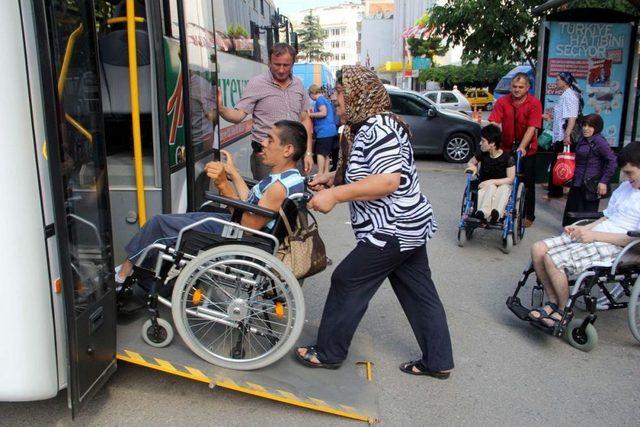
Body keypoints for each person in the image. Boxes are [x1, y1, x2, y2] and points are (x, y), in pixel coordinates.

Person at [294, 66, 454, 379]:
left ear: (357, 94)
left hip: (392, 228)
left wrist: (337, 194)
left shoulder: (377, 128)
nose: (334, 99)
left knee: (347, 279)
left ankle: (328, 353)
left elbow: (388, 181)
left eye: (339, 92)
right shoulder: (364, 126)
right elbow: (369, 171)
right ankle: (438, 360)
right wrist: (329, 178)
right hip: (408, 226)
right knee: (418, 291)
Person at [115, 120, 307, 283]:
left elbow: (250, 223)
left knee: (159, 223)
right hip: (241, 228)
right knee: (181, 219)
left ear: (288, 150)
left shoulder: (278, 188)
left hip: (239, 235)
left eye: (270, 139)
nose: (263, 143)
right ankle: (143, 271)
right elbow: (251, 201)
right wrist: (233, 174)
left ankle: (122, 275)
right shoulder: (291, 178)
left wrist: (224, 185)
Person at [528, 141, 640, 328]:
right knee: (537, 249)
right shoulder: (625, 188)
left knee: (552, 260)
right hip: (599, 234)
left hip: (619, 245)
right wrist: (585, 229)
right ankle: (553, 302)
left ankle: (563, 311)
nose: (627, 178)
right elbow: (607, 217)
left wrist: (595, 236)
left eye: (630, 173)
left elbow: (635, 240)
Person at [217, 43, 314, 180]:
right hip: (265, 159)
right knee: (266, 199)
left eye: (286, 65)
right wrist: (221, 109)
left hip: (293, 158)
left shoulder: (298, 85)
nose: (281, 70)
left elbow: (305, 119)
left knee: (294, 199)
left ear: (293, 63)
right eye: (277, 64)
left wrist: (308, 153)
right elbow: (238, 115)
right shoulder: (257, 83)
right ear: (269, 62)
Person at [489, 72, 543, 228]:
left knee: (527, 183)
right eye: (514, 86)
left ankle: (528, 215)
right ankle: (499, 210)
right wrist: (494, 141)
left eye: (520, 87)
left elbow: (532, 127)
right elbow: (494, 122)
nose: (517, 90)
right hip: (505, 147)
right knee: (503, 179)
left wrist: (522, 147)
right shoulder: (502, 102)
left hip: (527, 149)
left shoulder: (534, 103)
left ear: (527, 88)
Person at [561, 114, 617, 226]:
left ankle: (582, 238)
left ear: (597, 127)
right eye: (584, 125)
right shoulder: (583, 138)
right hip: (577, 182)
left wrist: (603, 181)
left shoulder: (599, 141)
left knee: (586, 215)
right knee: (572, 211)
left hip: (590, 184)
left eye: (590, 126)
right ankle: (569, 235)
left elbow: (612, 161)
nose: (586, 128)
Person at [466, 124, 515, 224]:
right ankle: (482, 213)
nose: (480, 143)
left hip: (502, 185)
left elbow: (510, 179)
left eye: (483, 141)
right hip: (485, 186)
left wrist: (491, 181)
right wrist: (473, 166)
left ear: (492, 143)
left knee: (504, 188)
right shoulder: (482, 153)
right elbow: (471, 162)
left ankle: (496, 214)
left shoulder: (507, 158)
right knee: (491, 188)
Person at [545, 71, 582, 199]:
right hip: (559, 135)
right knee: (558, 161)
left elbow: (572, 117)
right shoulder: (565, 95)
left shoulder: (570, 96)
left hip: (564, 136)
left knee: (561, 162)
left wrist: (567, 135)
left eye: (558, 80)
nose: (556, 82)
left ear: (565, 82)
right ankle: (556, 188)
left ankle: (556, 190)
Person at [307, 84, 338, 175]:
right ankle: (326, 172)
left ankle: (320, 173)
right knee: (326, 154)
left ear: (312, 93)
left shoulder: (319, 100)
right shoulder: (325, 100)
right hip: (331, 131)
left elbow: (323, 113)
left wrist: (310, 115)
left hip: (324, 131)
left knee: (320, 153)